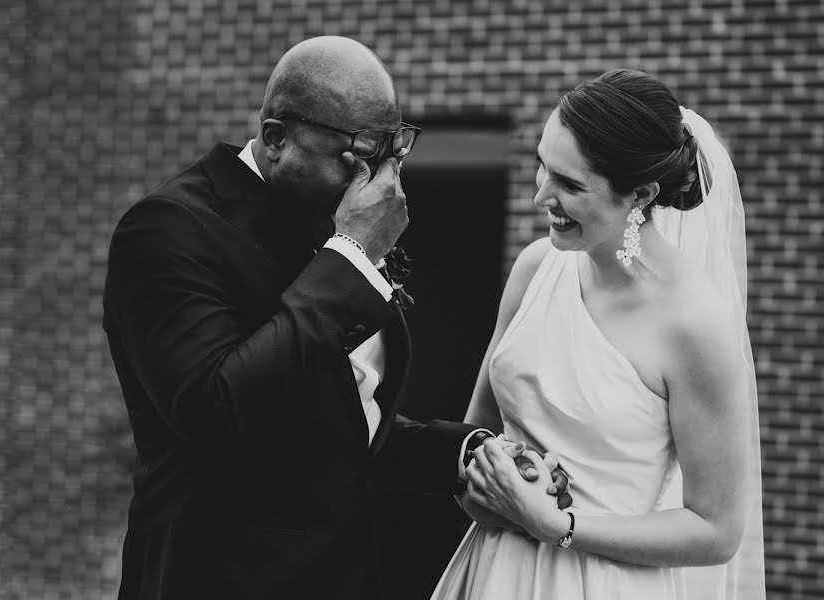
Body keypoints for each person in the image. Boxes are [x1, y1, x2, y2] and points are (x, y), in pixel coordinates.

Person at [102, 36, 567, 600]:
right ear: (277, 139)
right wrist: (350, 255)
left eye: (394, 152)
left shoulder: (324, 222)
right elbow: (218, 411)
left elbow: (335, 422)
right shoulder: (168, 231)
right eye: (360, 156)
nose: (383, 183)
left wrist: (468, 453)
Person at [432, 69, 765, 599]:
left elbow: (716, 531)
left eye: (569, 184)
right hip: (494, 569)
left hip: (604, 581)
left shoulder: (694, 323)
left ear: (641, 193)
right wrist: (480, 486)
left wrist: (559, 526)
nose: (542, 195)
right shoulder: (535, 268)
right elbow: (476, 434)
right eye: (543, 167)